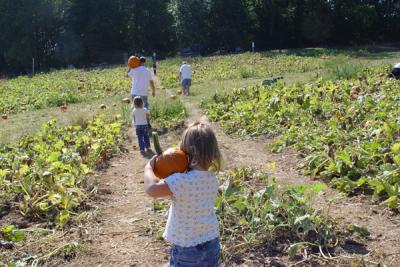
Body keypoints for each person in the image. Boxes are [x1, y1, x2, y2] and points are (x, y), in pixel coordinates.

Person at [144, 122, 222, 266]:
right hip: (212, 242)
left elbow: (152, 189)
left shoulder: (180, 181)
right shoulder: (212, 179)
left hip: (187, 247)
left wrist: (148, 168)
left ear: (188, 153)